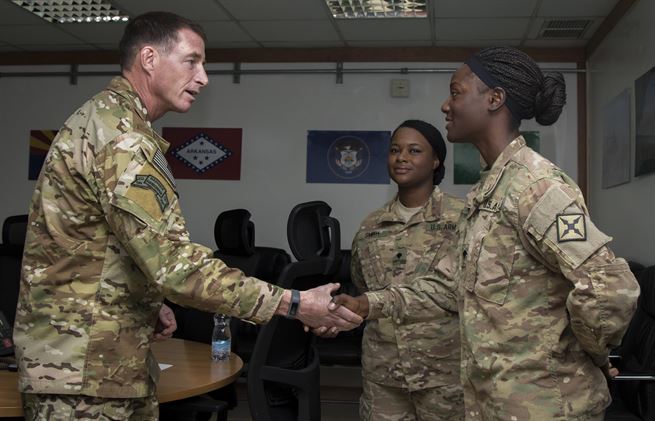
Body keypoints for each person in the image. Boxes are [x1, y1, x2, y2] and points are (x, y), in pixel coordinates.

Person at [12, 11, 361, 420]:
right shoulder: (124, 141)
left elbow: (103, 245)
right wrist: (294, 303)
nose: (203, 77)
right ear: (149, 58)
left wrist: (143, 299)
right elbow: (177, 268)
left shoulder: (101, 120)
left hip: (88, 362)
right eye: (191, 61)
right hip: (86, 374)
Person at [330, 46, 640, 420]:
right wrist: (367, 305)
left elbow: (609, 286)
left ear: (494, 99)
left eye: (456, 92)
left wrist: (589, 354)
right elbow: (449, 285)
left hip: (545, 405)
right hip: (492, 401)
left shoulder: (534, 185)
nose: (446, 105)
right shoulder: (488, 193)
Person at [349, 120, 464, 420]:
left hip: (445, 372)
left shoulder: (462, 218)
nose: (401, 158)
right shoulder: (370, 226)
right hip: (383, 372)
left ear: (435, 160)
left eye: (414, 150)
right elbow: (362, 285)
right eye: (395, 150)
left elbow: (462, 291)